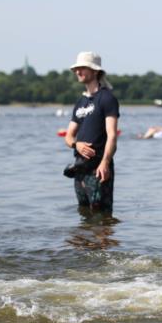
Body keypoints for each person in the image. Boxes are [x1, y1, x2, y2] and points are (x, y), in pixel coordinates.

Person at [63, 51, 119, 212]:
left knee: (102, 217)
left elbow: (112, 135)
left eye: (82, 68)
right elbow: (68, 136)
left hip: (99, 168)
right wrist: (77, 145)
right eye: (76, 69)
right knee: (84, 215)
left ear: (95, 71)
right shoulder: (80, 102)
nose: (77, 72)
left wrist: (105, 163)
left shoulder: (107, 98)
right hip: (80, 168)